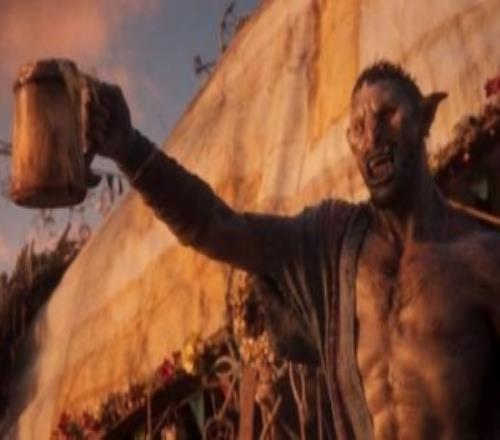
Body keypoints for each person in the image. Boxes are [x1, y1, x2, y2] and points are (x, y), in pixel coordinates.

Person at [87, 61, 500, 439]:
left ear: (424, 119)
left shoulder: (481, 259)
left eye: (387, 114)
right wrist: (130, 150)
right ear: (351, 144)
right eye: (358, 127)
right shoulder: (330, 242)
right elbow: (217, 226)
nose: (372, 136)